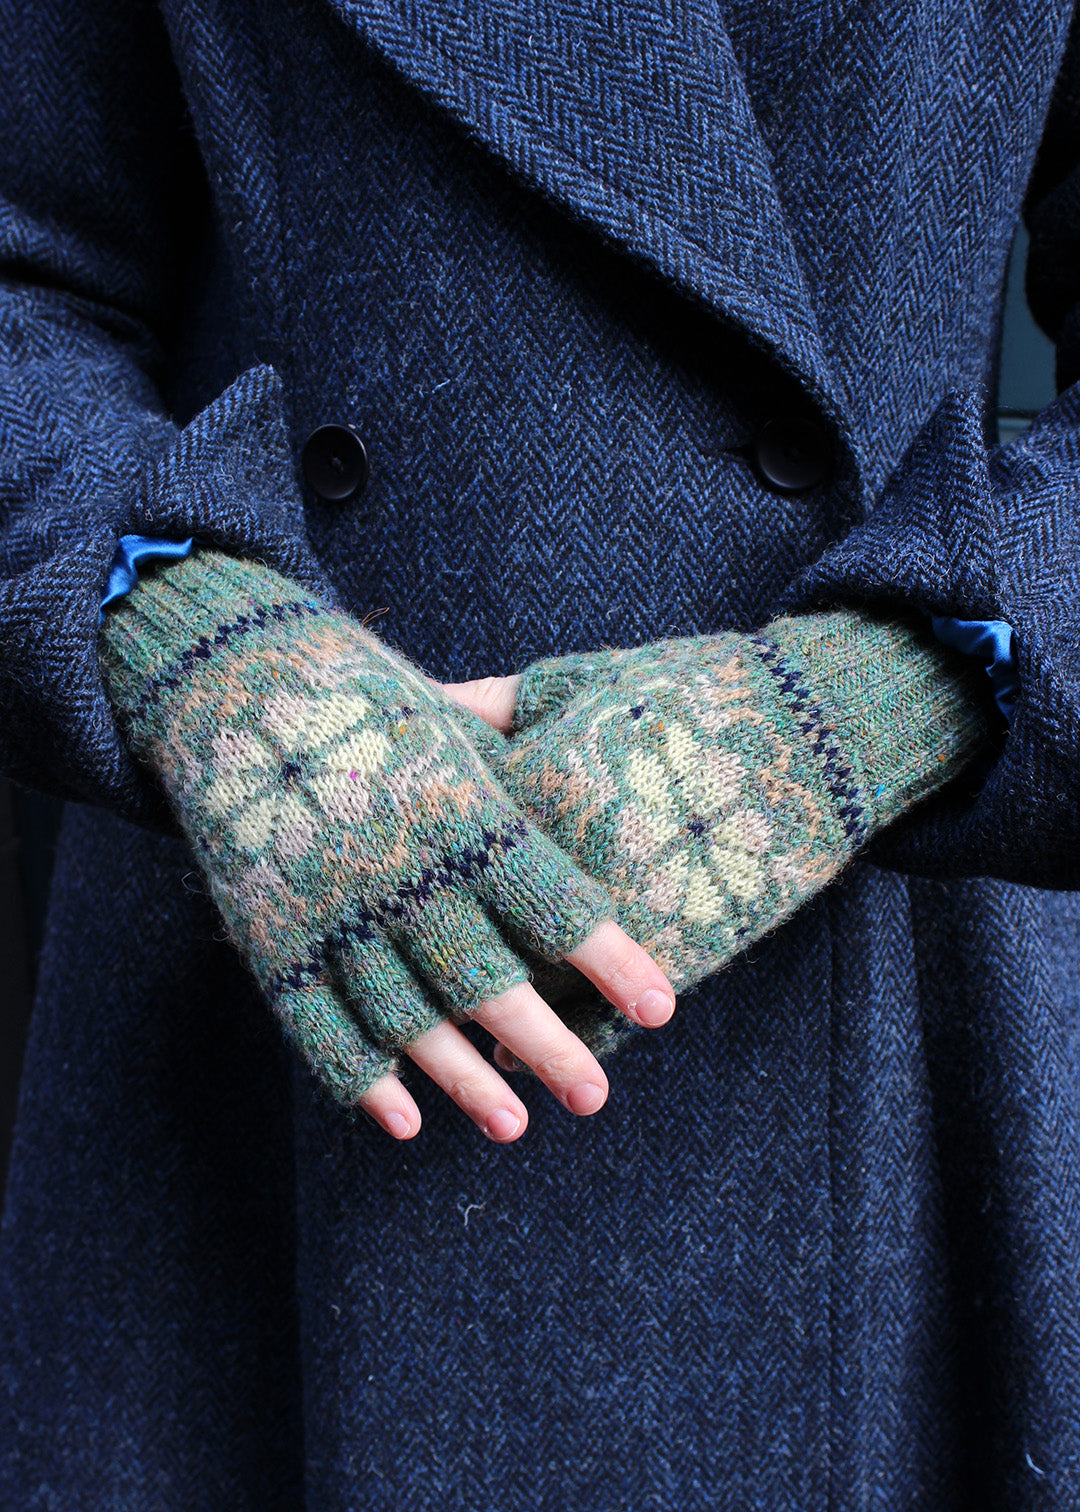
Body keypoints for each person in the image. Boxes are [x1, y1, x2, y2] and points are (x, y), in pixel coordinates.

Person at [1, 1, 1078, 1507]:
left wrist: (914, 677)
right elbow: (27, 264)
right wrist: (181, 626)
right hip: (261, 910)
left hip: (882, 950)